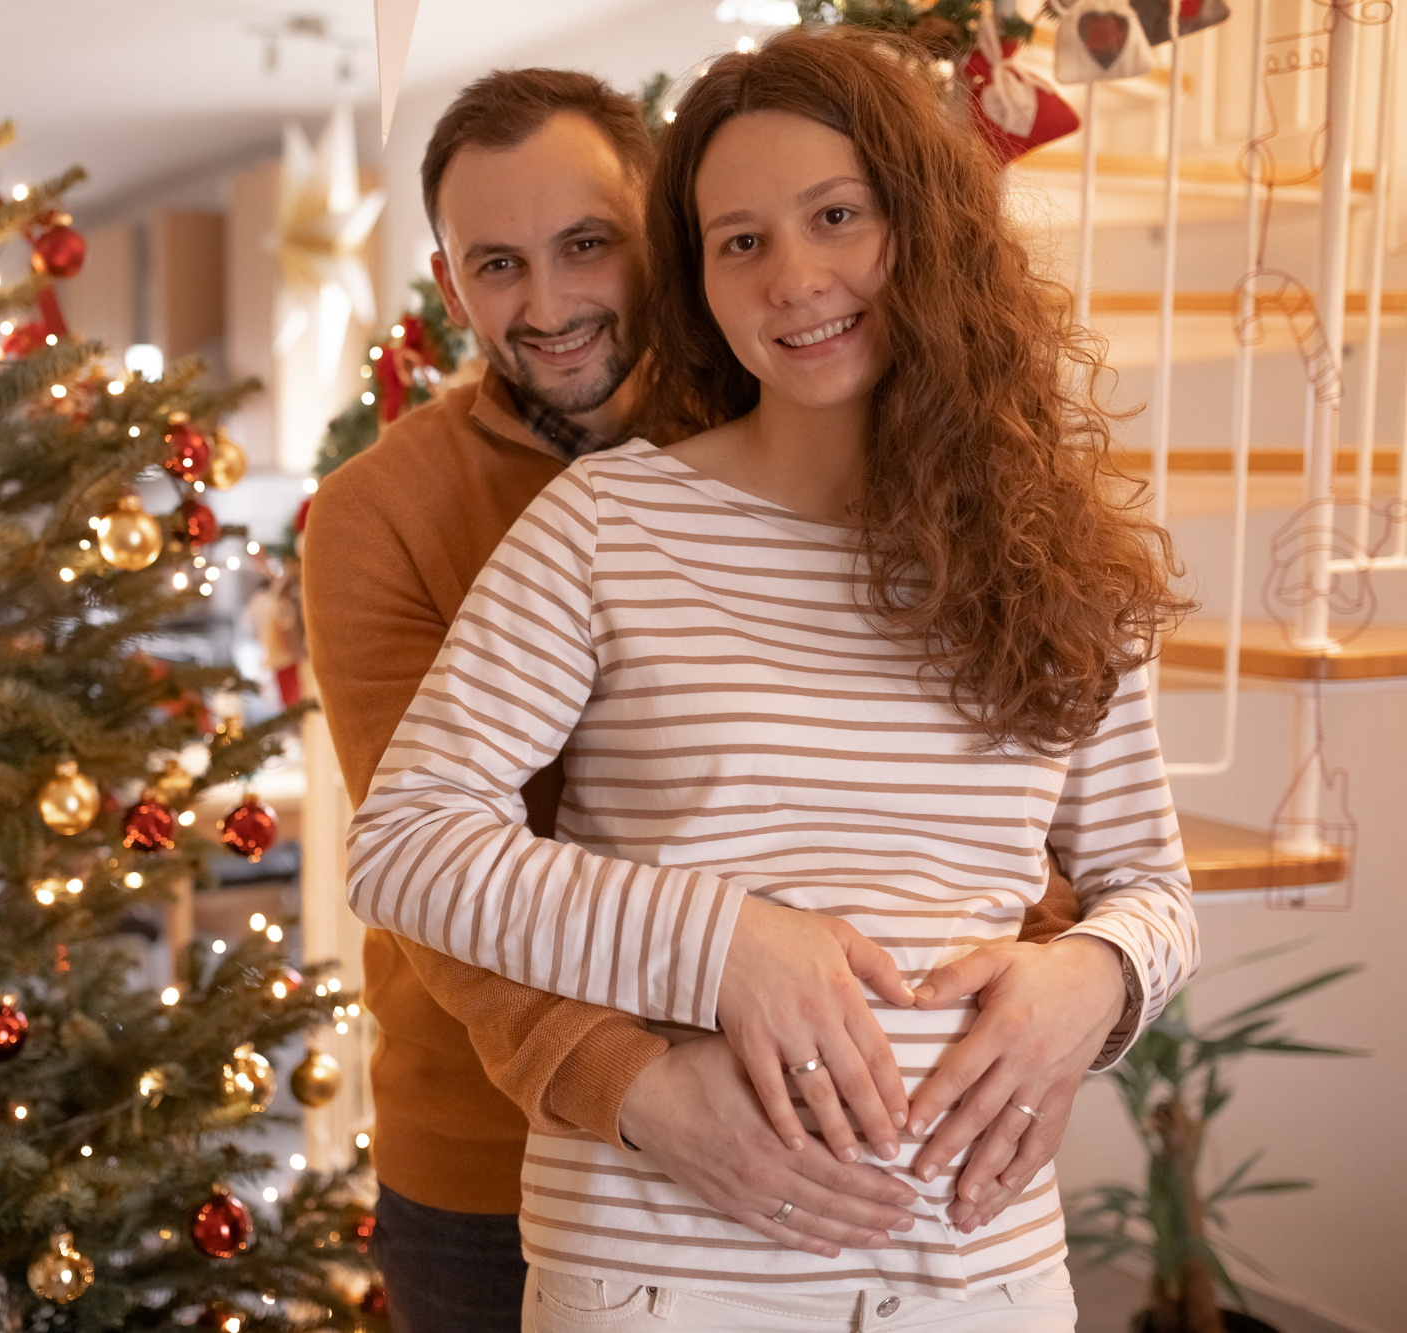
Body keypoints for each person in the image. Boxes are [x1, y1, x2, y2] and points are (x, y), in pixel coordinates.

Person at [341, 30, 1198, 1332]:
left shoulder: (1058, 542)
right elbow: (406, 843)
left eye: (838, 215)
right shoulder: (605, 523)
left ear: (925, 227)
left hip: (977, 1267)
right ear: (697, 274)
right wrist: (725, 944)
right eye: (740, 239)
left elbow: (1151, 887)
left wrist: (1096, 979)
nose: (797, 278)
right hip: (662, 1269)